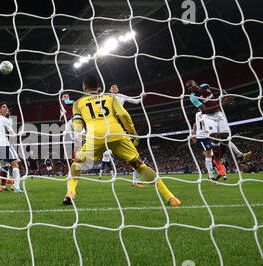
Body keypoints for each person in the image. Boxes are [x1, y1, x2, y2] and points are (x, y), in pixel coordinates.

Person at [63, 75, 181, 206]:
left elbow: (77, 127)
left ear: (84, 88)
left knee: (77, 164)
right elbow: (124, 115)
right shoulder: (110, 97)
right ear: (98, 88)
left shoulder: (78, 103)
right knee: (139, 164)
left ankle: (70, 193)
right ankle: (170, 197)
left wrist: (83, 138)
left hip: (95, 136)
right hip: (116, 132)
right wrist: (132, 132)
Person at [108, 82, 145, 187]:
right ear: (110, 90)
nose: (115, 88)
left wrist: (142, 97)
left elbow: (136, 101)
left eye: (116, 86)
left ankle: (136, 178)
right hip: (110, 122)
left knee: (133, 150)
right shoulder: (106, 96)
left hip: (121, 121)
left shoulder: (122, 96)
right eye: (112, 87)